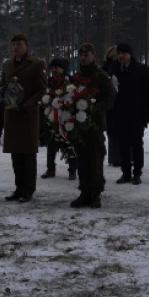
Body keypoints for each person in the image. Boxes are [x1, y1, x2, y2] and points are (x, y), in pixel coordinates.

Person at [0, 33, 47, 203]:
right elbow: (1, 85)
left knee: (28, 155)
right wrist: (4, 93)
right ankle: (19, 188)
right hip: (12, 115)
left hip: (27, 116)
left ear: (26, 45)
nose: (15, 47)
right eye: (13, 44)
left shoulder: (36, 64)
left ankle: (28, 189)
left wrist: (27, 105)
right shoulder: (7, 65)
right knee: (16, 155)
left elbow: (42, 90)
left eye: (19, 44)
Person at [69, 43, 116, 208]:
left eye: (86, 55)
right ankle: (84, 192)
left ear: (94, 56)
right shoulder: (76, 77)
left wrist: (95, 109)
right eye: (81, 55)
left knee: (95, 158)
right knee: (81, 158)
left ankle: (95, 194)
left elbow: (110, 97)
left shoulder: (101, 76)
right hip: (79, 125)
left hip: (95, 124)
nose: (83, 58)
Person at [111, 43, 149, 185]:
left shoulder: (141, 69)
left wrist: (148, 114)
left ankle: (137, 173)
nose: (121, 56)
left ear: (130, 54)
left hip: (137, 114)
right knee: (122, 145)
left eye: (124, 53)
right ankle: (126, 173)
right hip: (120, 114)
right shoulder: (114, 69)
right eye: (119, 53)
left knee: (136, 145)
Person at [41, 57, 77, 181]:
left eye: (56, 67)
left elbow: (74, 97)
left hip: (67, 118)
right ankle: (50, 169)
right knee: (51, 144)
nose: (53, 70)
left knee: (69, 145)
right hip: (53, 118)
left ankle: (72, 170)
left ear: (63, 69)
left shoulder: (70, 81)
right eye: (52, 68)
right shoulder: (50, 81)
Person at [102, 45, 121, 167]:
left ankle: (114, 158)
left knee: (112, 132)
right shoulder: (115, 68)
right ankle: (118, 157)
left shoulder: (105, 67)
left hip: (110, 104)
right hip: (115, 103)